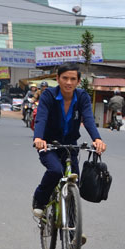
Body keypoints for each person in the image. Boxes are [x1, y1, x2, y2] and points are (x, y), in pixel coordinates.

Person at [32, 63, 106, 231]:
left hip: (70, 146)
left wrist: (97, 139)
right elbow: (41, 118)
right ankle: (40, 199)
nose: (68, 82)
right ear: (57, 79)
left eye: (73, 79)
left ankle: (73, 236)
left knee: (75, 183)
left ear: (78, 81)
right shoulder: (48, 95)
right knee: (55, 171)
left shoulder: (82, 97)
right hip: (48, 144)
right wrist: (38, 138)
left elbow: (88, 118)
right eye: (65, 78)